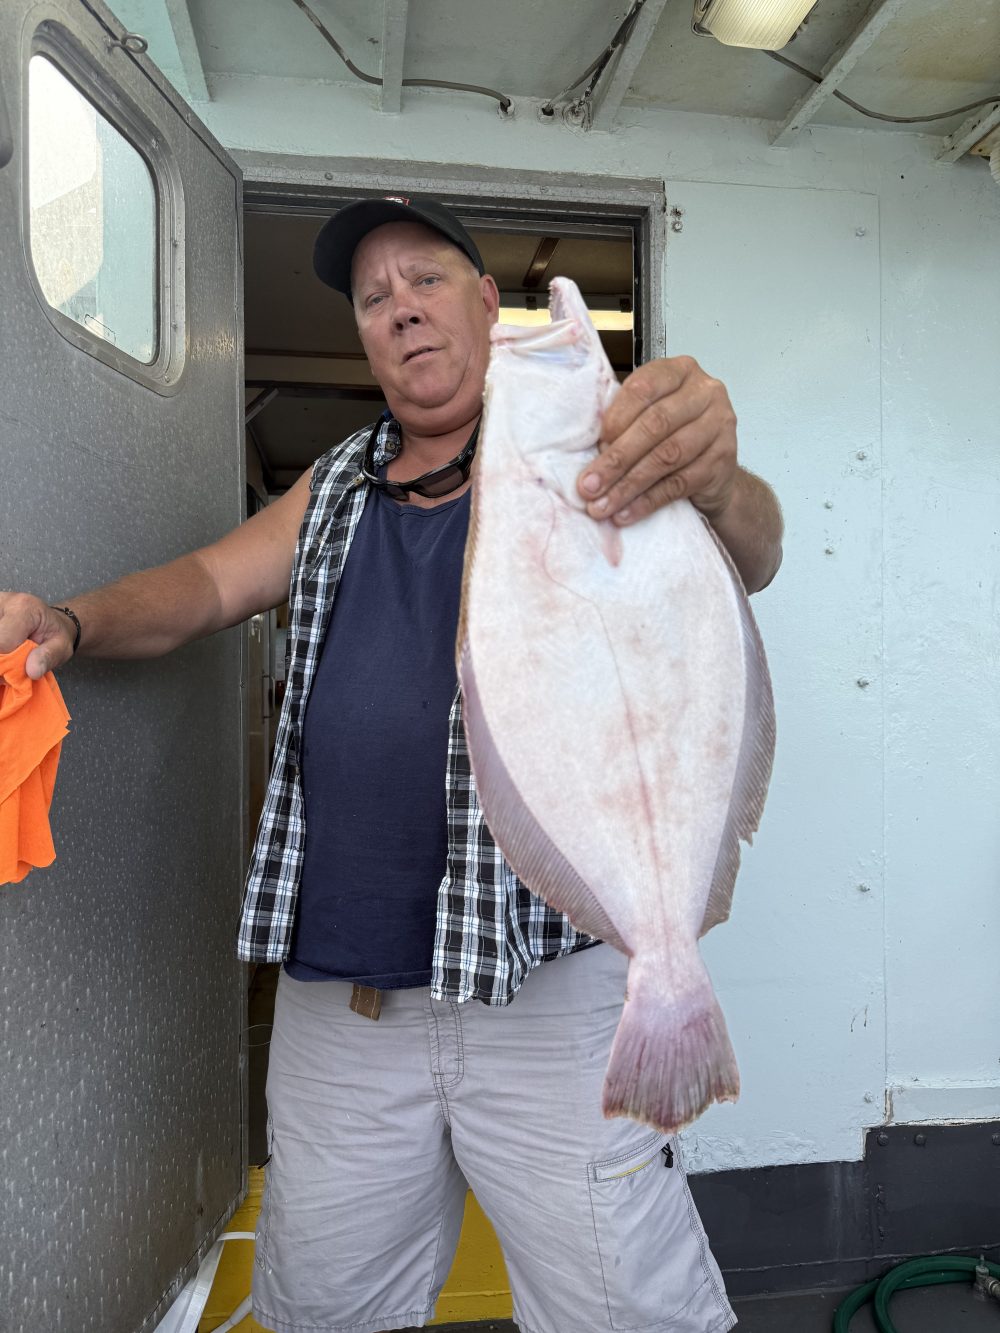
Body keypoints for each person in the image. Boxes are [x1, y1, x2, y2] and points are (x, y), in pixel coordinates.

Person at [0, 196, 783, 1333]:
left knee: (628, 1309)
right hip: (347, 1001)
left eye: (424, 281)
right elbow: (207, 588)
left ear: (482, 304)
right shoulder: (336, 485)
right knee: (325, 1306)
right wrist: (67, 621)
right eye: (373, 298)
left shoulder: (592, 455)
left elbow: (747, 554)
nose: (401, 308)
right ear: (364, 338)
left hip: (549, 992)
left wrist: (715, 476)